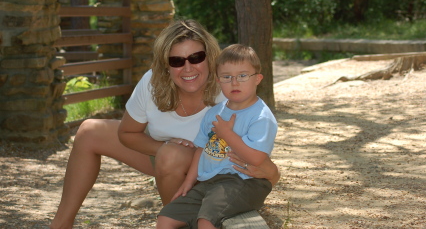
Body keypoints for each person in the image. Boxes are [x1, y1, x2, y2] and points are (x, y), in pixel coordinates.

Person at [50, 20, 280, 229]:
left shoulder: (229, 86)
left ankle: (180, 222)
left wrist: (271, 173)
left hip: (212, 169)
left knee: (171, 156)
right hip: (167, 159)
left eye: (196, 58)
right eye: (177, 61)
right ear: (166, 65)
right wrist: (161, 148)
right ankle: (61, 224)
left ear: (209, 57)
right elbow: (127, 133)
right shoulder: (152, 82)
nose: (188, 68)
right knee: (89, 131)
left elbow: (260, 156)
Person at [157, 44, 278, 229]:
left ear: (258, 79)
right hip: (209, 181)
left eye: (243, 76)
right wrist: (188, 183)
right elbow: (201, 149)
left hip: (244, 182)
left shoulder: (261, 116)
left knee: (206, 221)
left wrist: (227, 134)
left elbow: (257, 158)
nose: (235, 82)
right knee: (165, 219)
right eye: (227, 77)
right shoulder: (214, 113)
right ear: (218, 80)